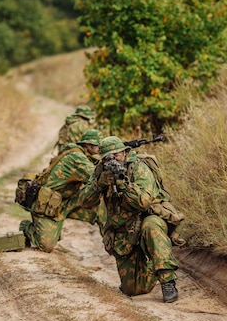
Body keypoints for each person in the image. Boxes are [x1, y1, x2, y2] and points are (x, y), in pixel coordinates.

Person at [79, 136, 181, 303]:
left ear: (125, 153)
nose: (113, 160)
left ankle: (167, 280)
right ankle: (150, 269)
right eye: (107, 158)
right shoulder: (100, 170)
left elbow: (143, 202)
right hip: (124, 229)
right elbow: (84, 201)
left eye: (116, 155)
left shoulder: (139, 168)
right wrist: (100, 183)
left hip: (145, 219)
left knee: (152, 227)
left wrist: (124, 184)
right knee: (133, 290)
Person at [20, 129, 103, 253]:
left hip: (66, 202)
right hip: (48, 206)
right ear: (88, 145)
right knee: (47, 246)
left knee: (101, 209)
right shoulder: (77, 158)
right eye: (99, 146)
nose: (102, 149)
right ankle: (25, 227)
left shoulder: (83, 155)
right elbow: (97, 177)